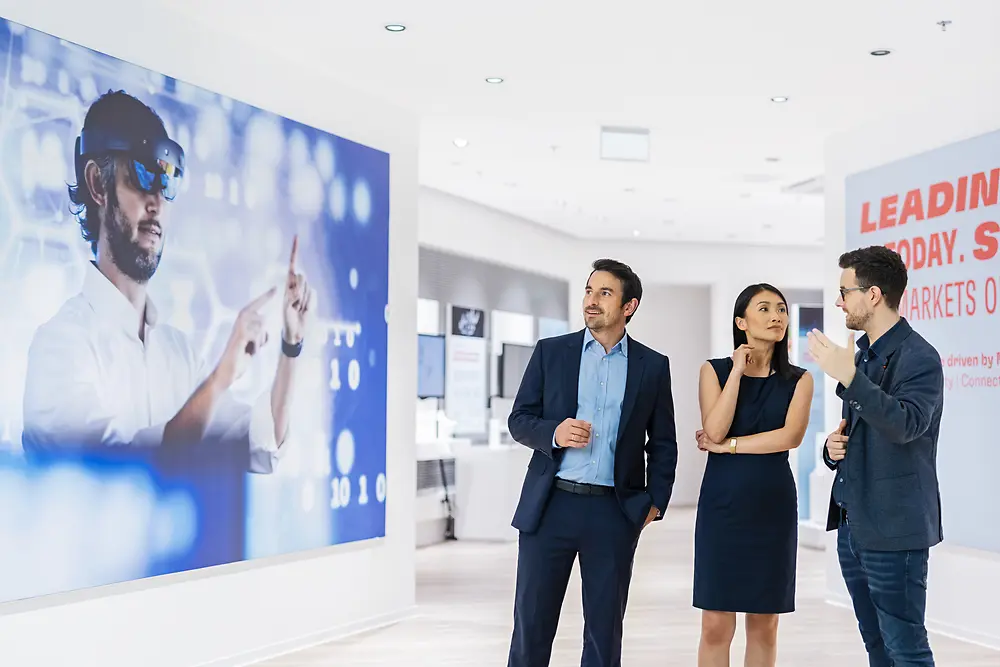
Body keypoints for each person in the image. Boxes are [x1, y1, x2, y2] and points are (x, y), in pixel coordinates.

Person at [21, 90, 312, 473]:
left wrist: (291, 346)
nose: (156, 202)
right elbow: (119, 473)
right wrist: (220, 379)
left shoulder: (179, 356)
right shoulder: (59, 347)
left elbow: (260, 443)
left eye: (167, 183)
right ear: (96, 184)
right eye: (142, 176)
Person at [505, 258, 678, 667]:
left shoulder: (652, 366)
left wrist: (655, 501)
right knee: (531, 626)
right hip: (550, 508)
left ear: (629, 306)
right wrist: (554, 433)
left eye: (604, 293)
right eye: (588, 290)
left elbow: (664, 441)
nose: (592, 301)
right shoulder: (552, 352)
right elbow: (519, 420)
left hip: (613, 513)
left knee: (604, 633)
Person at [808, 246, 943, 667]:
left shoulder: (920, 358)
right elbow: (865, 430)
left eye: (845, 291)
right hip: (855, 526)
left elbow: (905, 425)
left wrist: (847, 375)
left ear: (873, 295)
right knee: (878, 647)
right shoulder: (862, 353)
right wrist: (833, 451)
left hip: (895, 530)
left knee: (907, 649)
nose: (838, 301)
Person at [693, 283, 813, 667]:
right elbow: (713, 430)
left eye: (781, 308)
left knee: (765, 623)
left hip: (771, 506)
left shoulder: (799, 380)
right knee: (715, 623)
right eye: (764, 309)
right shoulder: (714, 371)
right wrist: (736, 376)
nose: (777, 316)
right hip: (722, 506)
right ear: (741, 322)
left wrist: (729, 446)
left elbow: (789, 437)